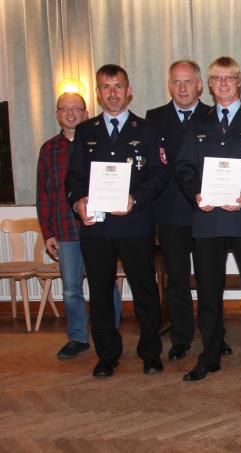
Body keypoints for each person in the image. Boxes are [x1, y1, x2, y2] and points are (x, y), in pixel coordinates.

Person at [175, 56, 241, 383]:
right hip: (208, 221)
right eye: (217, 78)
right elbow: (183, 167)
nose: (223, 83)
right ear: (208, 83)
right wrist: (196, 194)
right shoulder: (197, 122)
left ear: (239, 82)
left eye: (229, 78)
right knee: (208, 293)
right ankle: (209, 356)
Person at [66, 64, 168, 378]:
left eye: (118, 86)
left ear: (129, 90)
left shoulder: (147, 129)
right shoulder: (86, 131)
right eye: (106, 87)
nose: (113, 93)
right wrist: (77, 201)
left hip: (134, 224)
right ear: (98, 93)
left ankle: (150, 353)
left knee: (145, 291)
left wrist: (135, 198)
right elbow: (74, 177)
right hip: (96, 228)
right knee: (99, 292)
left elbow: (159, 174)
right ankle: (107, 354)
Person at [146, 60, 234, 361]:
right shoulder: (154, 119)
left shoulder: (217, 115)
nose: (182, 88)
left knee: (211, 280)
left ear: (200, 85)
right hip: (171, 214)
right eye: (176, 82)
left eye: (188, 82)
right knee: (178, 280)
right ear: (170, 86)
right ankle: (181, 337)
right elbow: (155, 168)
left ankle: (215, 337)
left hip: (210, 212)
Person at [36, 92, 122, 360]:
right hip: (66, 231)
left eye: (76, 109)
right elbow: (44, 195)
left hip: (100, 228)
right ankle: (77, 337)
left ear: (86, 113)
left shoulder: (98, 142)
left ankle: (111, 333)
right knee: (71, 287)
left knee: (106, 284)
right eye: (64, 109)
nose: (71, 114)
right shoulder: (49, 150)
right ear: (58, 114)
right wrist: (47, 233)